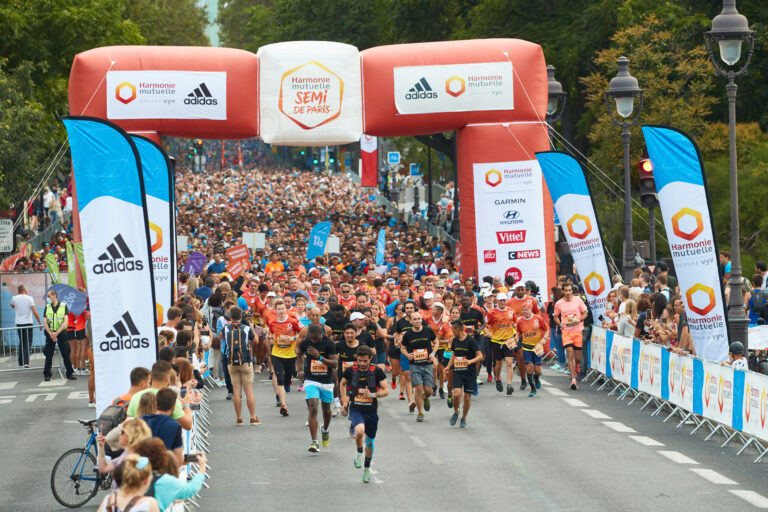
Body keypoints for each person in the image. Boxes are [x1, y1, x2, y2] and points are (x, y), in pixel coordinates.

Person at [339, 345, 388, 484]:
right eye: (359, 360)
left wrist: (372, 395)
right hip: (356, 409)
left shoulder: (377, 372)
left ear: (370, 359)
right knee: (359, 431)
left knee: (370, 442)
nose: (361, 364)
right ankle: (359, 451)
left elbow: (386, 391)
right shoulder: (350, 371)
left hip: (371, 411)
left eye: (365, 361)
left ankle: (366, 468)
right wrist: (345, 401)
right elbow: (342, 383)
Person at [296, 323, 338, 452]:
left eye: (316, 338)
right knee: (313, 407)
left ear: (321, 334)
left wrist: (319, 357)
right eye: (311, 338)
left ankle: (325, 429)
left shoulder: (329, 343)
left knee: (326, 410)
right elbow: (299, 354)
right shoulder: (306, 342)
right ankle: (314, 442)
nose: (313, 341)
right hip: (311, 379)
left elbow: (334, 363)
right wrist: (300, 370)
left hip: (326, 381)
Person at [127, 361, 196, 431]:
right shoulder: (170, 398)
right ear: (167, 378)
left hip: (140, 436)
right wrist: (186, 404)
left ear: (151, 376)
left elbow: (128, 423)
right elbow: (188, 425)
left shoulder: (136, 396)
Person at [222, 306, 260, 425]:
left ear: (230, 316)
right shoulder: (246, 328)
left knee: (236, 391)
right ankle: (252, 417)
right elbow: (256, 341)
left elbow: (224, 340)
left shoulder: (226, 328)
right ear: (241, 316)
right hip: (245, 361)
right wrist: (252, 328)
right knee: (249, 391)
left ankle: (239, 418)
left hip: (231, 362)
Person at [400, 310, 437, 422]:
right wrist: (408, 355)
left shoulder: (428, 331)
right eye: (415, 319)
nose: (417, 321)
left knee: (429, 390)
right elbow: (402, 348)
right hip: (415, 365)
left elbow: (436, 342)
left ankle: (426, 398)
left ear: (421, 320)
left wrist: (433, 353)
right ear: (411, 321)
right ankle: (420, 412)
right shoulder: (408, 334)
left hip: (427, 364)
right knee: (418, 388)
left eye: (419, 319)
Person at [267, 300, 302, 416]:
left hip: (291, 354)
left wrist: (292, 339)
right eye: (279, 309)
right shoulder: (272, 322)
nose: (281, 311)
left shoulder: (293, 321)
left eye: (283, 309)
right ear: (275, 310)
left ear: (285, 310)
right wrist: (270, 338)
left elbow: (302, 333)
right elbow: (270, 333)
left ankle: (288, 382)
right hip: (277, 354)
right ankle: (283, 405)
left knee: (287, 378)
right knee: (280, 378)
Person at [445, 319, 482, 427]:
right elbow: (454, 355)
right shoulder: (455, 340)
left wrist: (470, 361)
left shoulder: (471, 340)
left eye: (453, 329)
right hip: (458, 371)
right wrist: (448, 367)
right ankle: (456, 412)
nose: (452, 332)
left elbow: (479, 356)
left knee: (467, 397)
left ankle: (463, 418)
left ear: (457, 329)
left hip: (469, 372)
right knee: (456, 394)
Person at [553, 283, 587, 390]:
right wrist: (560, 325)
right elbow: (555, 316)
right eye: (566, 290)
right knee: (569, 352)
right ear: (563, 291)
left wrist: (580, 319)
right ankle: (573, 380)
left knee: (577, 357)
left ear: (572, 291)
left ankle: (577, 365)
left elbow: (585, 313)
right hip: (566, 331)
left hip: (577, 331)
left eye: (569, 290)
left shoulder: (578, 300)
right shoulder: (559, 303)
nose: (568, 292)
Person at [140, 388, 184, 465]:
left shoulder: (141, 421)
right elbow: (178, 460)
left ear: (156, 403)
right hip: (163, 468)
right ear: (173, 407)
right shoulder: (174, 426)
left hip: (142, 467)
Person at [486, 292, 518, 395]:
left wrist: (517, 334)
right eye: (500, 300)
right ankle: (498, 378)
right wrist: (488, 332)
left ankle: (509, 385)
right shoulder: (492, 312)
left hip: (509, 340)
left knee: (509, 362)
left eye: (504, 300)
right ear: (497, 301)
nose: (502, 302)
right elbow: (485, 325)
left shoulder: (511, 311)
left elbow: (515, 323)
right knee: (498, 363)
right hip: (496, 341)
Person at [515, 303, 549, 397]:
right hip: (526, 347)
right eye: (523, 310)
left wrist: (544, 339)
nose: (525, 312)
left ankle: (536, 378)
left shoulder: (538, 318)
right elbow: (518, 332)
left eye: (527, 309)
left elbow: (546, 329)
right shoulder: (520, 321)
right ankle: (532, 389)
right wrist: (517, 337)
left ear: (531, 309)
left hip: (537, 347)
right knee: (529, 368)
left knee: (538, 371)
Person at [43, 289, 75, 381]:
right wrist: (51, 333)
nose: (48, 298)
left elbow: (65, 321)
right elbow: (45, 322)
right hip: (50, 333)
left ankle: (69, 373)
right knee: (49, 355)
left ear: (54, 296)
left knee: (66, 354)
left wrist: (57, 333)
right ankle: (47, 375)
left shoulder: (63, 306)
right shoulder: (47, 307)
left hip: (61, 333)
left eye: (49, 296)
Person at [11, 284, 41, 368]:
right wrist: (39, 322)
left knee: (22, 342)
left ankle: (20, 363)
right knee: (28, 342)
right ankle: (26, 362)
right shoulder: (29, 298)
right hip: (28, 322)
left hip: (19, 323)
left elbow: (12, 306)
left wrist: (17, 296)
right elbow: (34, 311)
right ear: (24, 289)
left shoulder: (14, 298)